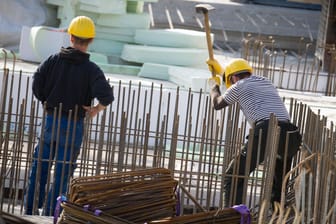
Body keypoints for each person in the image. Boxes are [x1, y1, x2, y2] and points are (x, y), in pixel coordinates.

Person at [25, 16, 114, 216]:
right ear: (90, 41)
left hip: (50, 120)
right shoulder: (92, 70)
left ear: (71, 37)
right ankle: (50, 213)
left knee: (40, 167)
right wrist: (95, 109)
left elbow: (37, 82)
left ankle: (30, 210)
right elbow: (107, 96)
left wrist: (46, 101)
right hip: (73, 126)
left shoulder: (53, 61)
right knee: (63, 173)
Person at [207, 58, 302, 207]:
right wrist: (221, 71)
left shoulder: (238, 85)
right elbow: (238, 77)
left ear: (233, 78)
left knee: (233, 177)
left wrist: (214, 85)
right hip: (291, 135)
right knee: (279, 183)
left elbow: (217, 104)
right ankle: (276, 215)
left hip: (267, 130)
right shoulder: (266, 81)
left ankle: (233, 218)